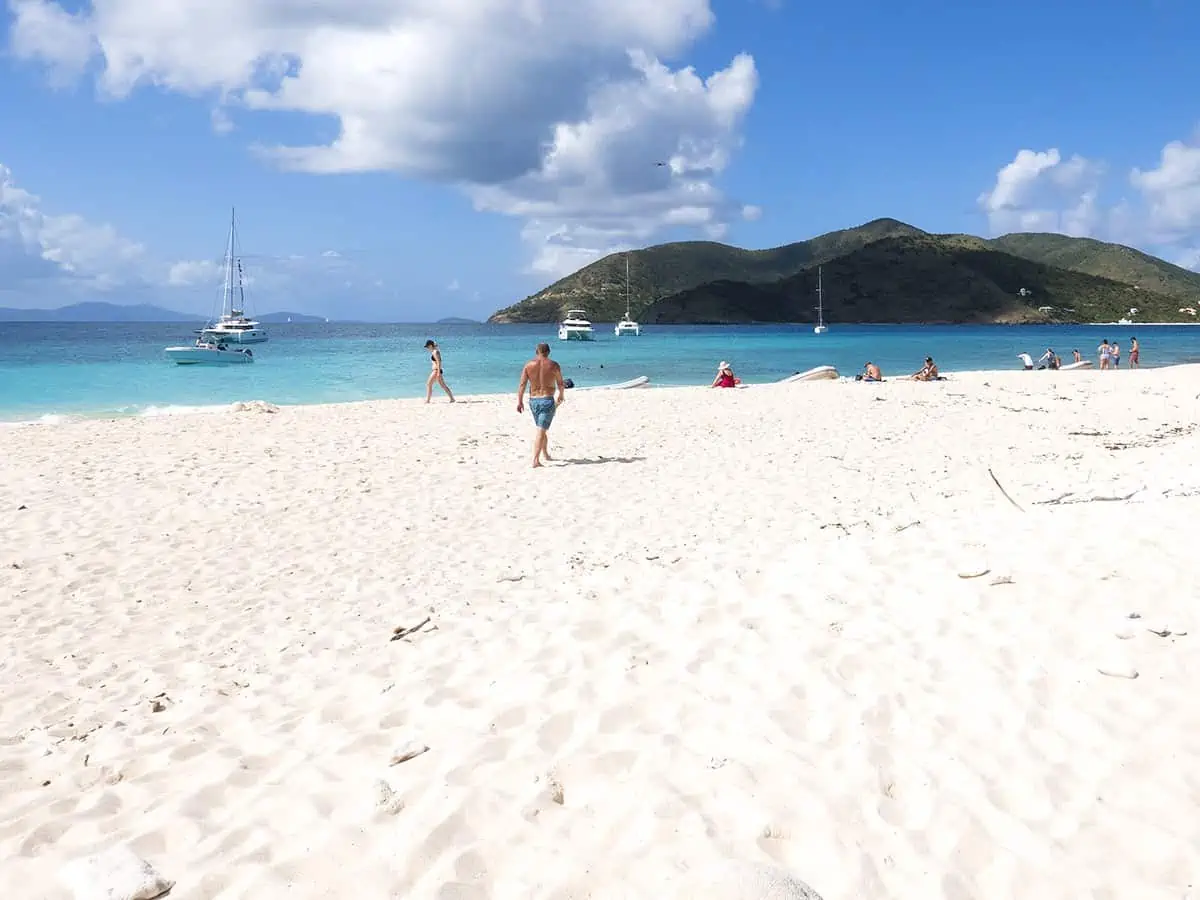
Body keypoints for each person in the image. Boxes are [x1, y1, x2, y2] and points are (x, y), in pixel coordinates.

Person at [517, 343, 566, 468]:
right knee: (541, 430)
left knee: (541, 429)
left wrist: (520, 401)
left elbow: (522, 384)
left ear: (536, 351)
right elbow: (560, 383)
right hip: (547, 400)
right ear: (548, 352)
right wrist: (561, 395)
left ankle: (545, 454)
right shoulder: (553, 365)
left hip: (533, 401)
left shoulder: (528, 365)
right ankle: (535, 460)